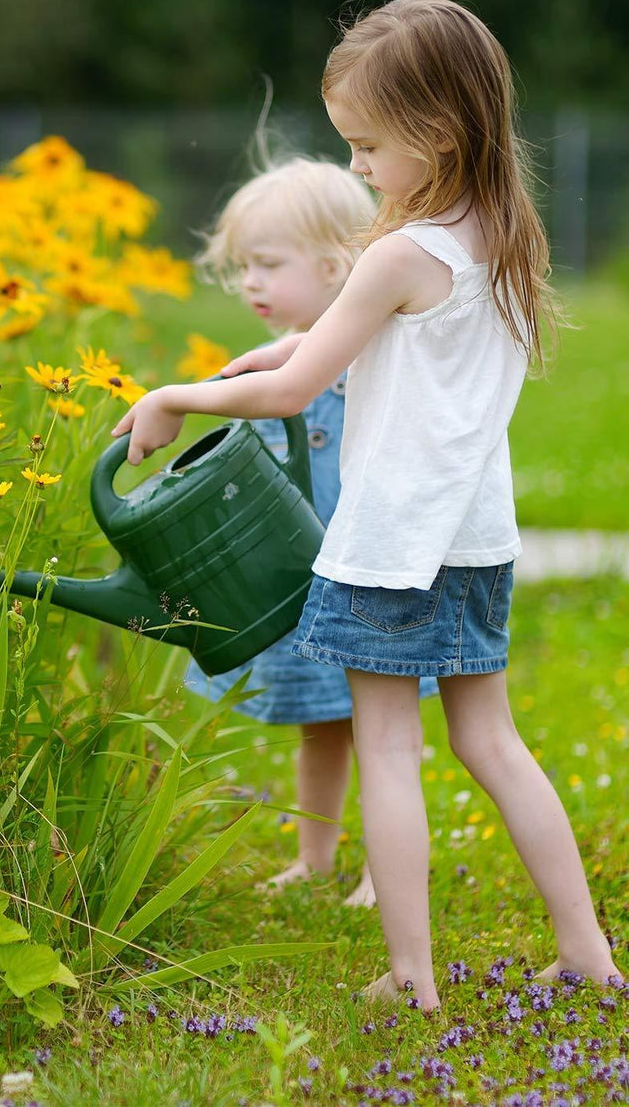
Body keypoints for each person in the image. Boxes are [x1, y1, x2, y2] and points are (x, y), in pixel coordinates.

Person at [114, 0, 620, 1011]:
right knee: (490, 742)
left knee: (386, 747)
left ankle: (409, 975)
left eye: (365, 146)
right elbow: (369, 351)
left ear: (432, 133)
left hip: (389, 545)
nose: (354, 168)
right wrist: (280, 347)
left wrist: (173, 394)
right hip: (474, 539)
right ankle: (587, 951)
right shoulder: (496, 235)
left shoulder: (396, 251)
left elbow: (292, 390)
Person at [186, 154, 437, 908]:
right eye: (243, 269)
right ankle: (316, 856)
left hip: (365, 575)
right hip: (302, 583)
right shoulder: (283, 359)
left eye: (265, 265)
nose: (250, 284)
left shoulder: (367, 355)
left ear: (337, 265)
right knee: (320, 724)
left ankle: (381, 872)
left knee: (379, 727)